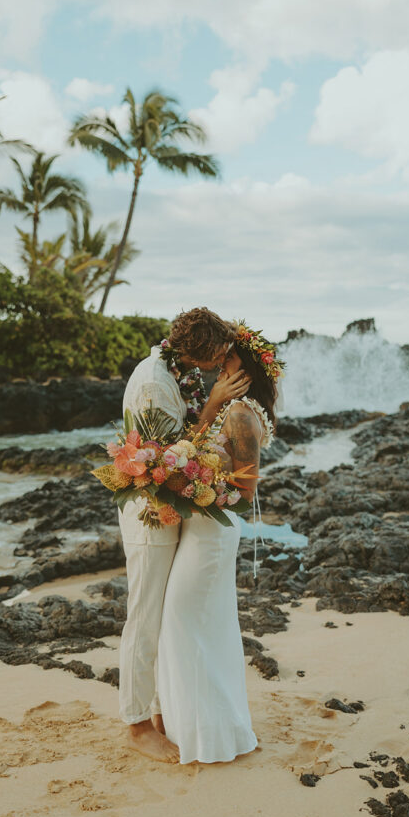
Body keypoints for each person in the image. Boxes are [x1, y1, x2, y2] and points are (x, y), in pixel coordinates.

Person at [119, 307, 252, 763]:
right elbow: (165, 463)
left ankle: (160, 711)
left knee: (164, 613)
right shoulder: (155, 382)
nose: (221, 363)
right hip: (150, 513)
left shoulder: (178, 371)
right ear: (196, 352)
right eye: (217, 355)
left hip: (172, 511)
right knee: (145, 614)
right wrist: (214, 404)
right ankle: (136, 724)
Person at [156, 321, 283, 764]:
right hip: (201, 527)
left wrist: (197, 492)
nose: (218, 366)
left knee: (185, 622)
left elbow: (245, 491)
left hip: (213, 530)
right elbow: (195, 446)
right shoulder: (227, 408)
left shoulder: (242, 415)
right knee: (190, 625)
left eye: (228, 360)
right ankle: (191, 727)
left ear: (245, 370)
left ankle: (207, 735)